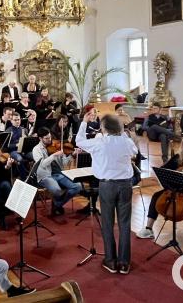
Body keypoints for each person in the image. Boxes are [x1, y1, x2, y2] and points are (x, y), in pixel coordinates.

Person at [76, 112, 137, 275]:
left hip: (107, 186)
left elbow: (79, 141)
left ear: (103, 128)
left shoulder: (99, 142)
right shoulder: (126, 141)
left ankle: (110, 261)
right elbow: (135, 152)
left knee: (108, 223)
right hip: (125, 185)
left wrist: (84, 122)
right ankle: (124, 263)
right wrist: (122, 132)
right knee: (124, 224)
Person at [31, 127, 81, 216]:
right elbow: (42, 164)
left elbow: (64, 162)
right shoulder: (36, 149)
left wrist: (72, 156)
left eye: (50, 137)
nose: (49, 140)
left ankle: (57, 204)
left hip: (58, 174)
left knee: (77, 186)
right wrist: (54, 155)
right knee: (57, 190)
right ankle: (58, 204)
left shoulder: (55, 146)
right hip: (45, 176)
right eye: (46, 138)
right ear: (40, 138)